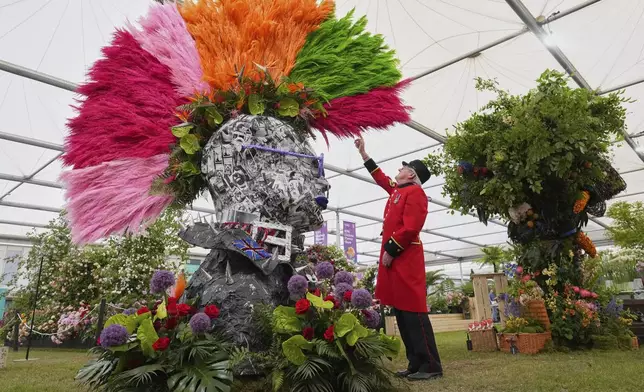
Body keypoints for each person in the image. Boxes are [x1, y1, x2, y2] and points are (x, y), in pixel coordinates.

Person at [354, 135, 443, 381]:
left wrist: (390, 251)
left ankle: (431, 365)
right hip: (396, 260)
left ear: (412, 175)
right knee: (402, 313)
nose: (399, 169)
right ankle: (416, 363)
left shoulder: (415, 194)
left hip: (406, 258)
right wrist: (364, 154)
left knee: (414, 311)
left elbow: (411, 227)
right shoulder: (399, 191)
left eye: (403, 168)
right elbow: (380, 178)